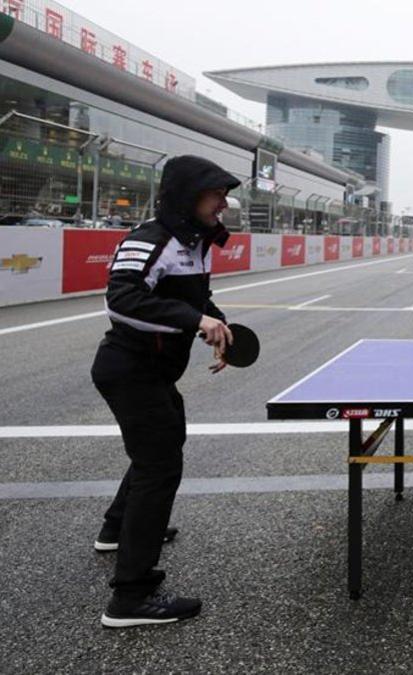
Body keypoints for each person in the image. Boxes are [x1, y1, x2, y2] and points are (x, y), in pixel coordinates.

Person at [90, 155, 240, 628]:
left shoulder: (194, 244)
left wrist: (219, 328)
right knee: (160, 466)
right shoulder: (150, 240)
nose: (224, 203)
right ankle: (130, 598)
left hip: (153, 372)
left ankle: (117, 528)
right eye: (215, 193)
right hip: (128, 368)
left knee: (162, 445)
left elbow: (194, 301)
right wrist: (197, 320)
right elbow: (123, 298)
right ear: (188, 194)